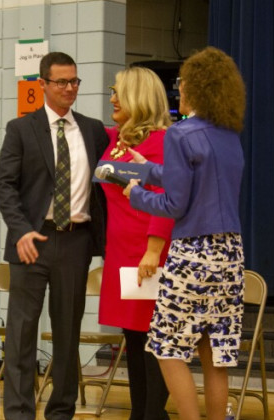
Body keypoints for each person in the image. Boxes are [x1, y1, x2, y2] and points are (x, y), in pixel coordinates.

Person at [122, 46, 247, 420]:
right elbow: (199, 183)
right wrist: (148, 170)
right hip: (229, 255)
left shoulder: (180, 134)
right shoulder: (229, 135)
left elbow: (174, 205)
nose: (179, 88)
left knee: (166, 348)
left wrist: (136, 193)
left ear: (192, 86)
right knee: (214, 353)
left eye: (181, 82)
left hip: (192, 254)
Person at [0, 52, 108, 420]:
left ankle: (61, 411)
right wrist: (20, 230)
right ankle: (19, 412)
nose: (70, 88)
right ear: (42, 84)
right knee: (22, 334)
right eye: (61, 82)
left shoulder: (92, 130)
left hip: (76, 240)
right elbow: (5, 186)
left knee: (67, 333)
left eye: (75, 81)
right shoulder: (21, 129)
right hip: (32, 239)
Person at [98, 66, 174, 420]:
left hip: (148, 250)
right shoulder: (117, 138)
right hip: (120, 251)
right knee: (133, 337)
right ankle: (138, 412)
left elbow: (166, 197)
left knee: (152, 340)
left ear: (138, 97)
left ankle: (152, 414)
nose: (112, 98)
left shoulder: (161, 142)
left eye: (118, 92)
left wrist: (153, 250)